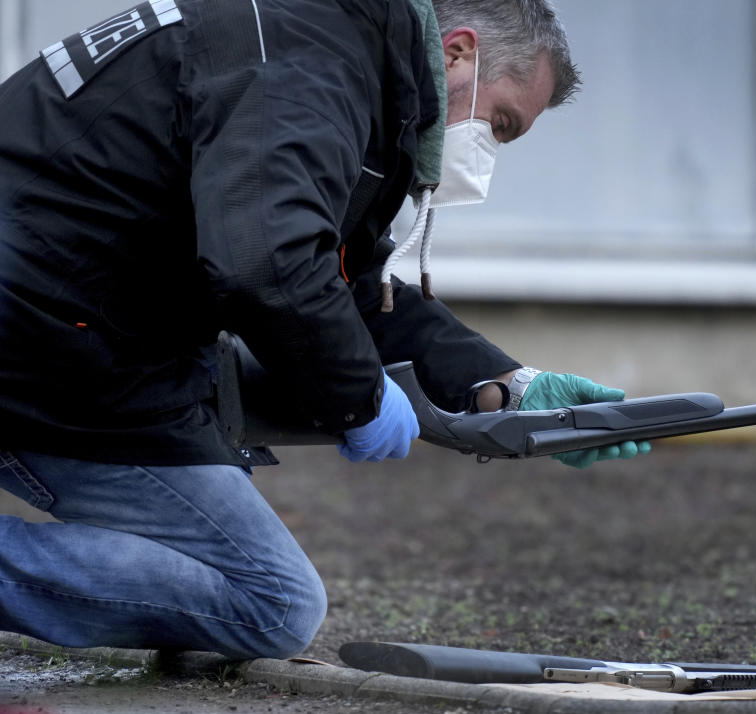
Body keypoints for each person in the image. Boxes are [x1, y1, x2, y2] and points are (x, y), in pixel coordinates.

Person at [0, 0, 645, 659]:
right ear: (458, 53)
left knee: (212, 554)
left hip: (69, 328)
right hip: (46, 342)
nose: (489, 150)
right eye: (500, 123)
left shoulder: (324, 48)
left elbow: (341, 275)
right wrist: (359, 396)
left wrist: (505, 387)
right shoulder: (308, 62)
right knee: (270, 601)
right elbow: (267, 264)